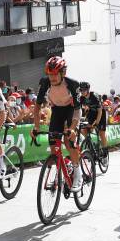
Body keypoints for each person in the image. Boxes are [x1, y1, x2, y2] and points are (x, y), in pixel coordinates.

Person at [31, 56, 84, 192]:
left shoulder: (72, 84)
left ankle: (78, 174)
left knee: (68, 141)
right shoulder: (44, 83)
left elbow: (78, 110)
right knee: (54, 146)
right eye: (50, 74)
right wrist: (36, 126)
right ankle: (67, 164)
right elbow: (37, 107)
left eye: (55, 74)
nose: (52, 78)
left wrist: (72, 128)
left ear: (63, 73)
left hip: (71, 110)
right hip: (56, 110)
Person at [79, 81, 107, 155]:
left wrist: (96, 122)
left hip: (100, 113)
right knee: (84, 130)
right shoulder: (82, 98)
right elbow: (80, 110)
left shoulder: (94, 96)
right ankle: (91, 146)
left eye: (84, 90)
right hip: (92, 113)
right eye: (81, 90)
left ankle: (104, 152)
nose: (82, 91)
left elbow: (100, 111)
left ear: (88, 90)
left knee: (101, 133)